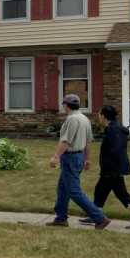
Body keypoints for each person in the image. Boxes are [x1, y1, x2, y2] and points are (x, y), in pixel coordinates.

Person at [47, 94, 111, 229]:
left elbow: (66, 141)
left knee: (74, 192)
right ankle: (61, 219)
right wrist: (86, 159)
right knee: (63, 190)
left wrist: (56, 156)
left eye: (63, 104)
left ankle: (100, 218)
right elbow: (88, 142)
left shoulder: (72, 120)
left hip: (70, 158)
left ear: (65, 104)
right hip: (78, 157)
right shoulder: (84, 119)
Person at [76, 105, 130, 230]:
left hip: (112, 169)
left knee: (122, 194)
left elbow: (115, 149)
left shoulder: (111, 129)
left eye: (99, 114)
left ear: (103, 115)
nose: (99, 117)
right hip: (113, 168)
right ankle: (95, 215)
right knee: (100, 190)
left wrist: (108, 165)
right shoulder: (117, 128)